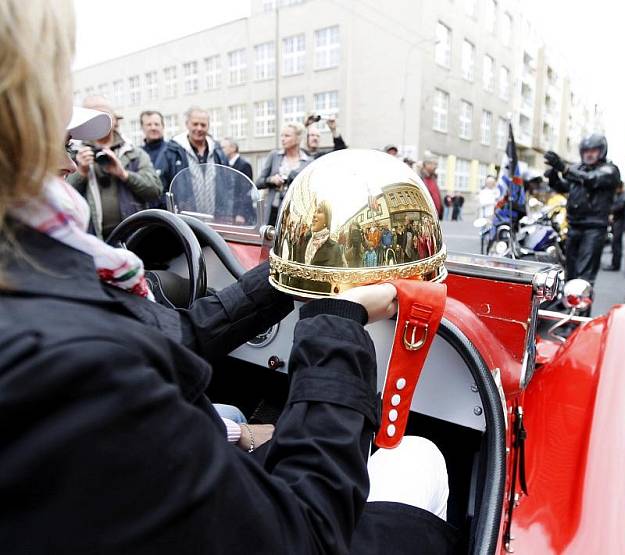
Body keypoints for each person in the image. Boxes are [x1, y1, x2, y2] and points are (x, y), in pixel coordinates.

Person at [0, 5, 455, 552]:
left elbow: (175, 336)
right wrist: (337, 321)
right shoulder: (73, 369)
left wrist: (290, 275)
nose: (75, 165)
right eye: (63, 141)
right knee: (418, 458)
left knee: (237, 415)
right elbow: (306, 534)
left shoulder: (36, 277)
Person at [67, 96, 161, 239]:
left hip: (133, 237)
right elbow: (60, 198)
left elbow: (155, 190)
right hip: (91, 239)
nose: (98, 121)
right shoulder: (73, 155)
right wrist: (81, 172)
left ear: (115, 119)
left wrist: (124, 174)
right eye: (93, 115)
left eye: (103, 115)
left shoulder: (134, 153)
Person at [545, 133, 621, 284]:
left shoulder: (609, 170)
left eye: (593, 151)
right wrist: (554, 174)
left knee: (584, 275)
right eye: (586, 151)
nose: (589, 154)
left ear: (602, 151)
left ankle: (581, 306)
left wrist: (564, 168)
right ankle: (568, 302)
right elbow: (563, 186)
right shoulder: (579, 169)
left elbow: (591, 180)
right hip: (574, 225)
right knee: (570, 271)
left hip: (594, 228)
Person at [155, 106, 229, 194]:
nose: (199, 128)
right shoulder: (171, 152)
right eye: (195, 124)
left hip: (216, 208)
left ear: (208, 126)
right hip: (182, 208)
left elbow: (228, 183)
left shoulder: (217, 151)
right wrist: (171, 206)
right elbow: (160, 186)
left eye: (203, 125)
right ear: (187, 124)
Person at [255, 122, 311, 226]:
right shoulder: (274, 156)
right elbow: (258, 183)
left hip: (296, 214)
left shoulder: (308, 161)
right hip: (274, 211)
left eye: (287, 136)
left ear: (298, 138)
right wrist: (271, 180)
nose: (283, 139)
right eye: (282, 135)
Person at [604, 183, 625, 271]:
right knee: (615, 244)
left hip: (619, 222)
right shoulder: (620, 196)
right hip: (617, 222)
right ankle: (615, 264)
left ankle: (615, 265)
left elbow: (618, 207)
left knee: (616, 244)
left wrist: (611, 211)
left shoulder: (622, 196)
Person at [419, 154, 443, 219]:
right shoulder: (420, 179)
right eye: (433, 164)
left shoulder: (433, 178)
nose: (435, 166)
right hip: (426, 217)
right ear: (426, 164)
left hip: (436, 217)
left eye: (436, 164)